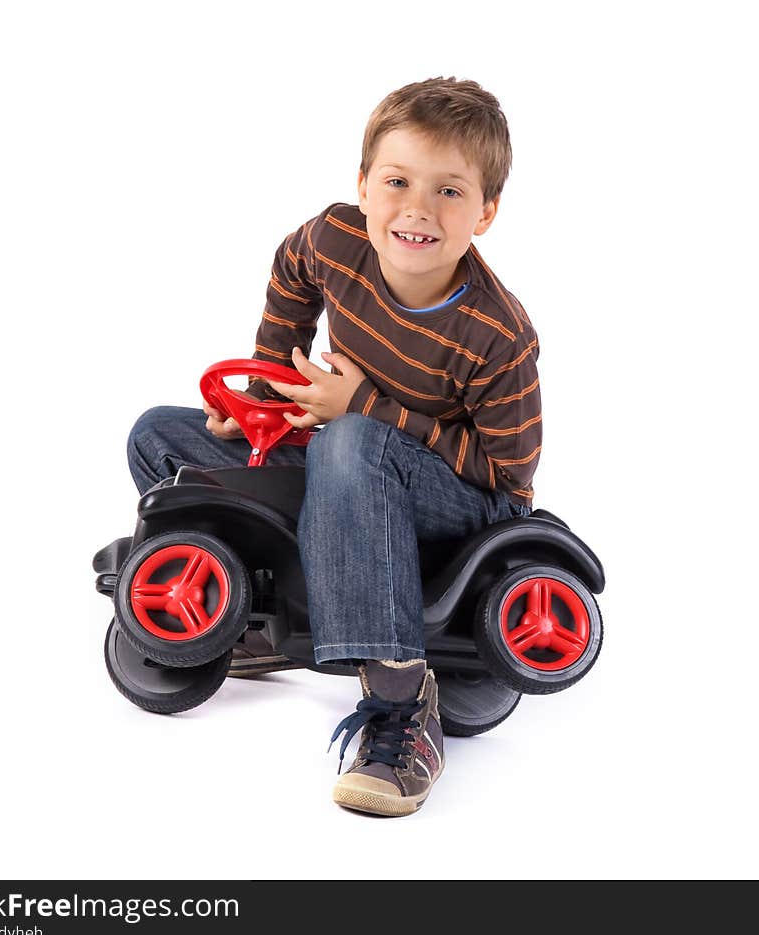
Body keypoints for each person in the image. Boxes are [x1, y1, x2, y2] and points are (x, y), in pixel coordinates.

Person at [127, 76, 542, 818]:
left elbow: (506, 479)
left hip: (452, 498)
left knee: (350, 440)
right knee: (161, 433)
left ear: (486, 212)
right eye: (397, 181)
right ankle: (261, 608)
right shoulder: (334, 239)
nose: (417, 208)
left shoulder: (497, 337)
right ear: (362, 185)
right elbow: (293, 278)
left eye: (449, 192)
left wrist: (365, 409)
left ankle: (398, 704)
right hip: (345, 464)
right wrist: (266, 401)